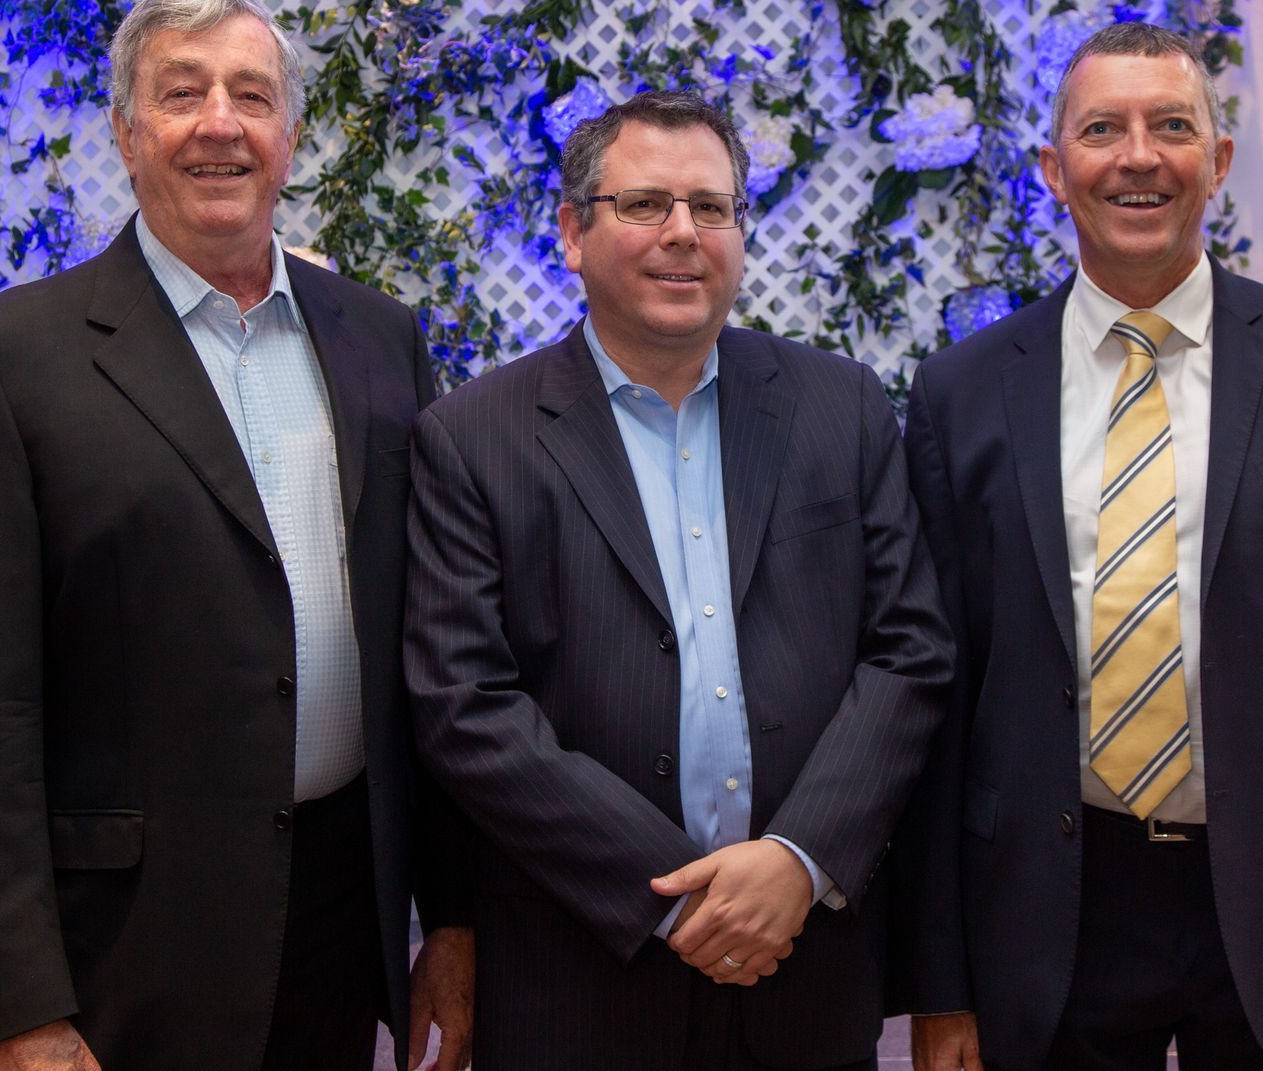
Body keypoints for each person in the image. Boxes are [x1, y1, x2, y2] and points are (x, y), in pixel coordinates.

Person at [0, 0, 473, 1071]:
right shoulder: (3, 363)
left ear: (290, 137)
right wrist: (15, 1008)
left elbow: (429, 654)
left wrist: (450, 919)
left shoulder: (383, 342)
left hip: (338, 927)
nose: (221, 123)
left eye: (252, 95)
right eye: (182, 93)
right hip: (121, 954)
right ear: (128, 134)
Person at [892, 23, 1263, 1071]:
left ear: (1219, 159)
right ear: (1054, 169)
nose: (1139, 157)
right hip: (1046, 918)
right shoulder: (960, 394)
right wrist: (941, 985)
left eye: (1172, 126)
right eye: (1102, 130)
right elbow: (937, 697)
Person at [402, 90, 952, 1071]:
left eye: (711, 206)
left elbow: (909, 654)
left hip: (806, 967)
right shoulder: (472, 438)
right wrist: (679, 896)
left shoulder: (842, 407)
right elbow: (465, 705)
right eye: (644, 204)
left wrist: (797, 861)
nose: (683, 233)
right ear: (572, 232)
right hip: (580, 977)